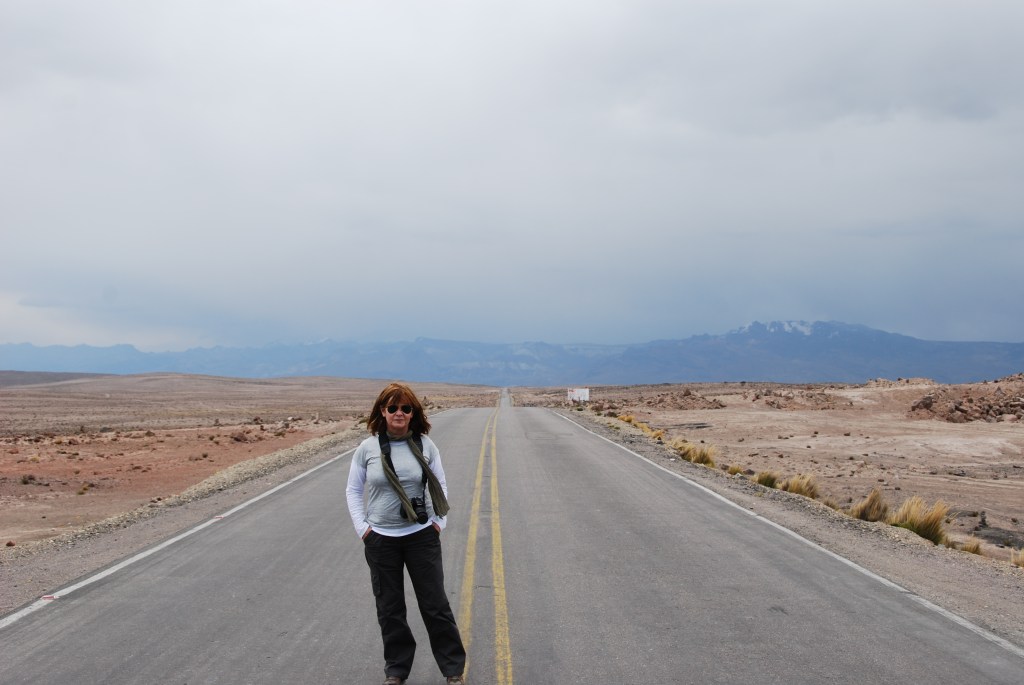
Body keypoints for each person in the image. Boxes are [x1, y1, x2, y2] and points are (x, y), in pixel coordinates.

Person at [346, 382, 467, 685]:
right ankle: (396, 671)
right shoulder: (367, 448)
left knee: (435, 605)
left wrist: (439, 522)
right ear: (382, 411)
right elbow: (353, 490)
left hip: (421, 536)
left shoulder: (426, 445)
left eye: (405, 408)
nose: (399, 413)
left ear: (413, 413)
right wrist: (364, 529)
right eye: (393, 407)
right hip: (381, 539)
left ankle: (453, 670)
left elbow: (440, 483)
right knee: (390, 609)